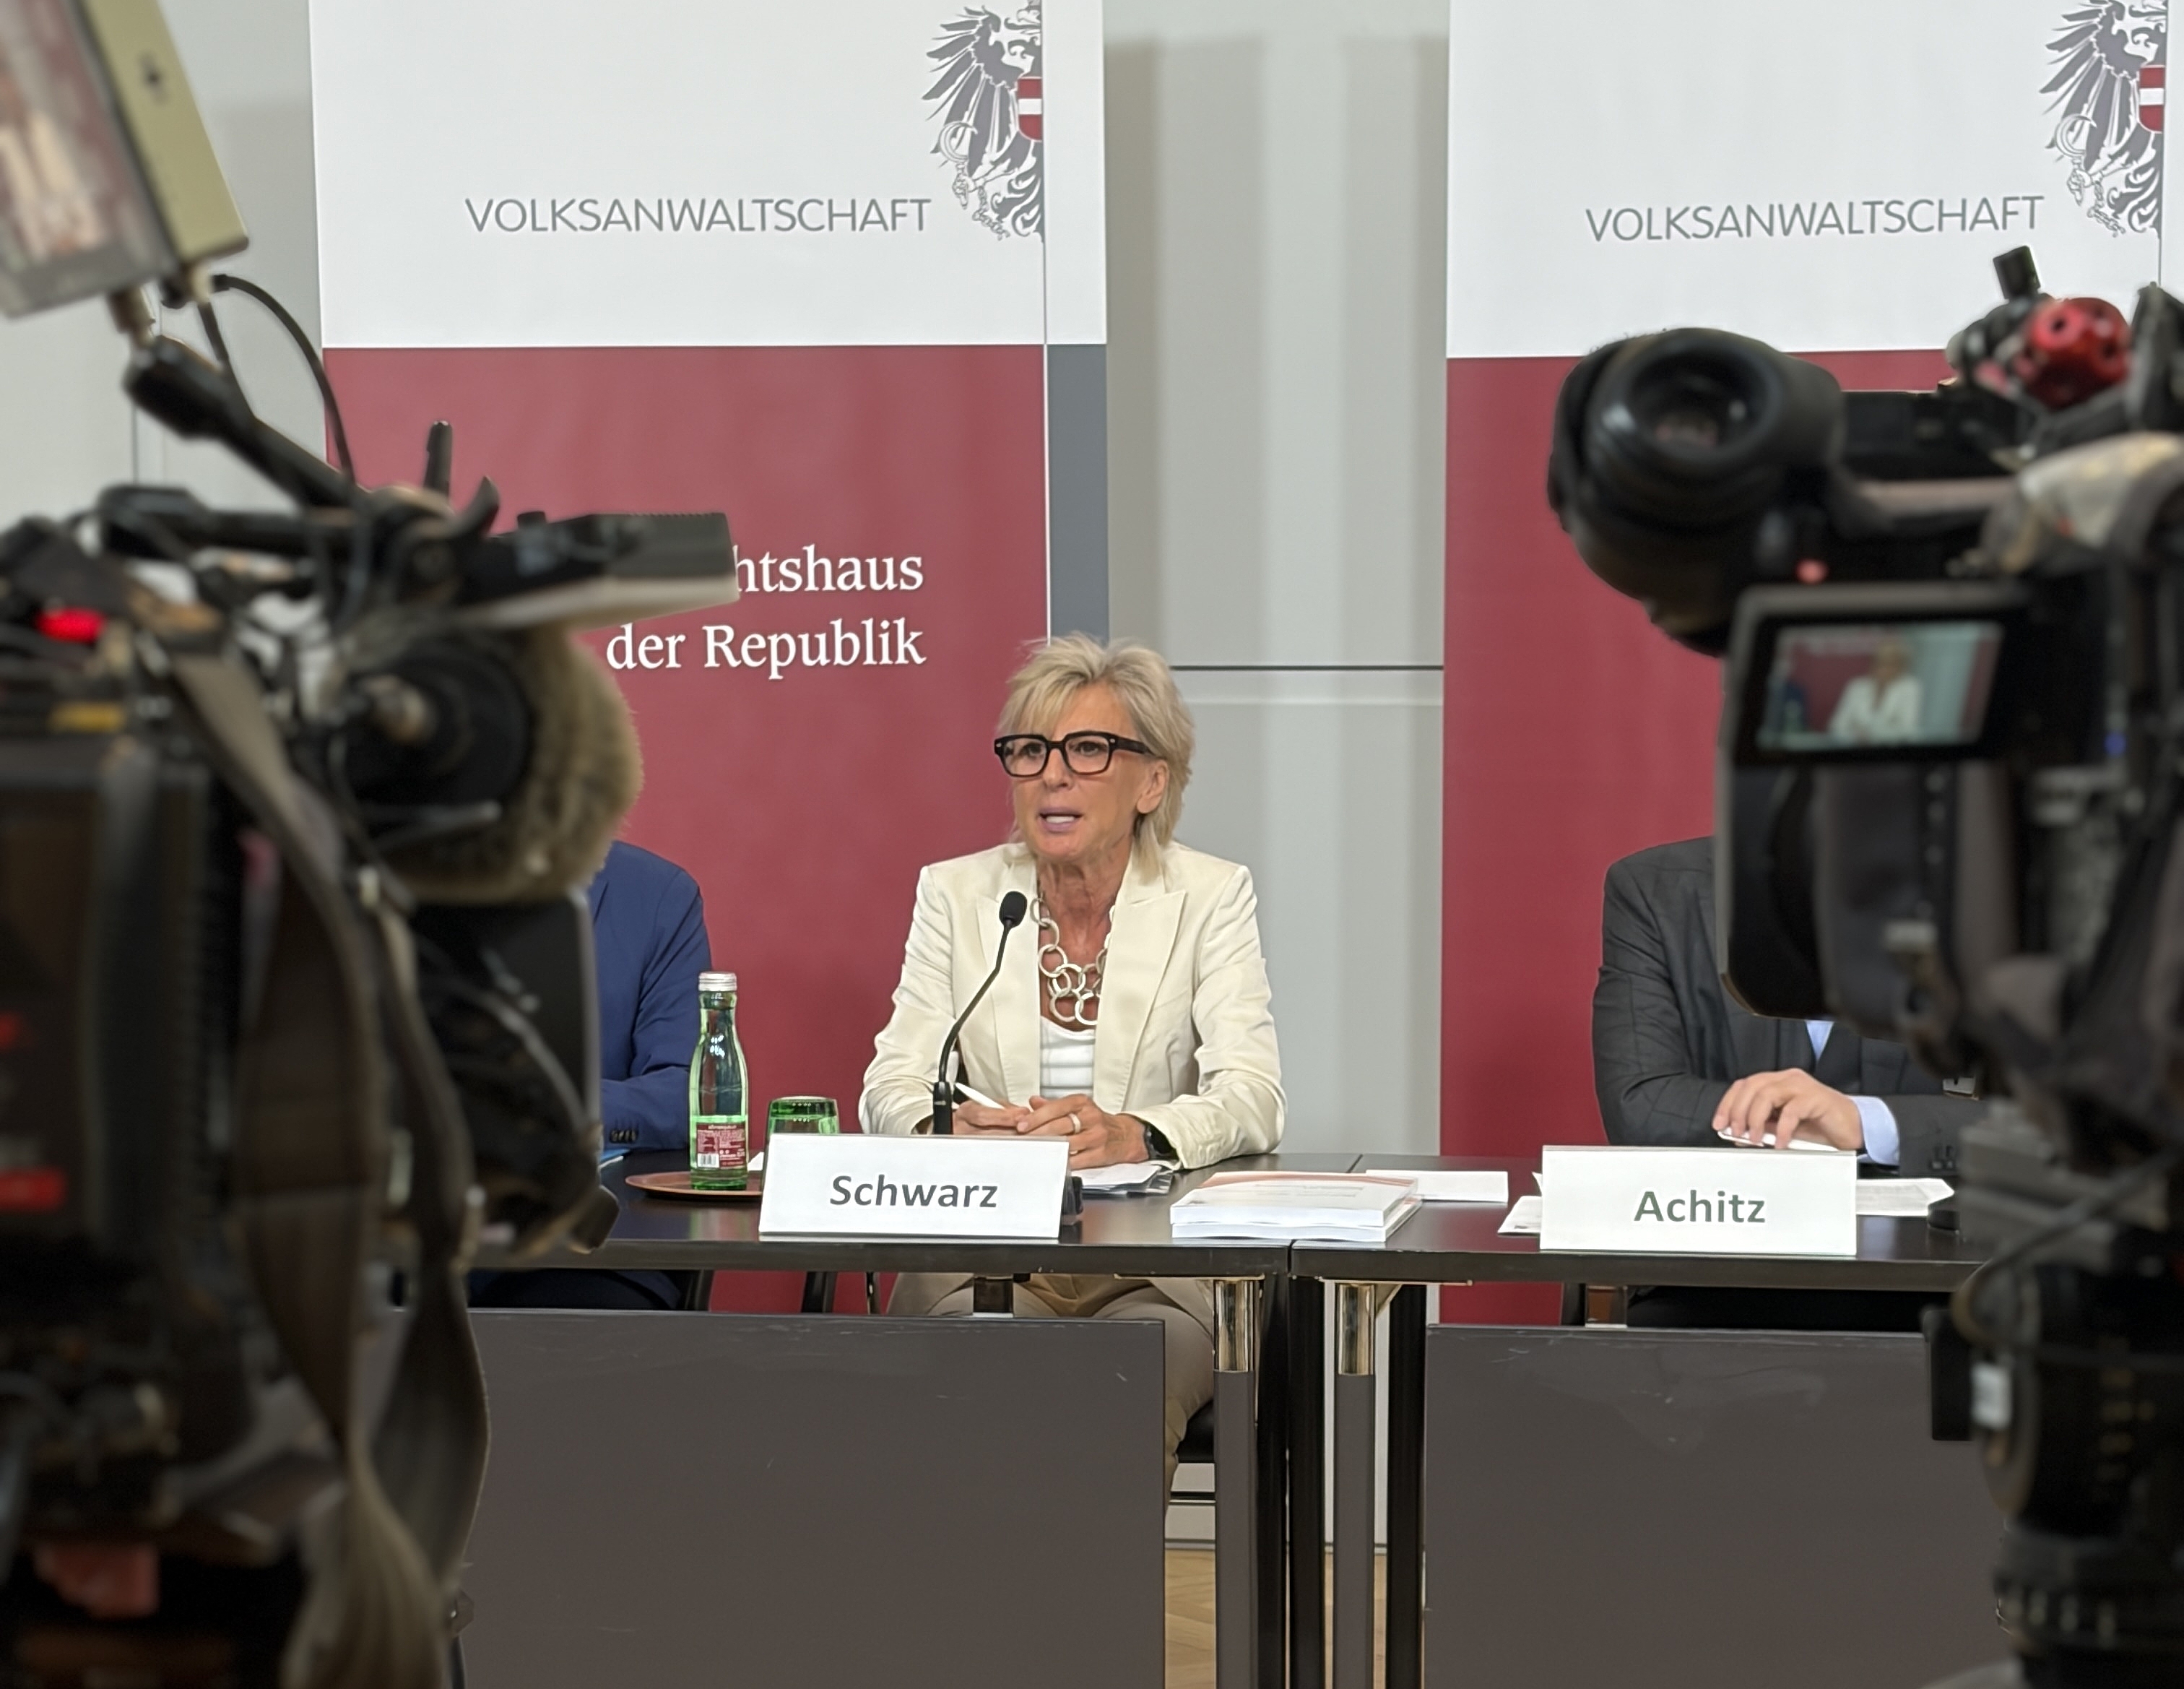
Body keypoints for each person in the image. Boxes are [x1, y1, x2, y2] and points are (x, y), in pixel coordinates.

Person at [860, 634, 1283, 1472]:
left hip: (1154, 1275)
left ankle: (1088, 1568)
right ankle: (980, 1565)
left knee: (1114, 1389)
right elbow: (892, 1082)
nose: (1052, 775)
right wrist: (946, 1127)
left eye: (1088, 750)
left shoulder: (1209, 895)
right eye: (1031, 750)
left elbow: (1253, 1094)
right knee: (978, 1387)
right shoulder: (958, 893)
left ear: (1151, 781)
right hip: (985, 1262)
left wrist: (1137, 1133)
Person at [1591, 835, 1983, 1329]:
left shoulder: (1978, 888)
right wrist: (1796, 1119)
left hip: (1944, 1283)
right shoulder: (1654, 888)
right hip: (1713, 1278)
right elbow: (1640, 1106)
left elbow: (2040, 1122)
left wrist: (1864, 1122)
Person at [472, 839, 711, 1311]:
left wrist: (560, 1106)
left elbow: (690, 1091)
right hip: (408, 1238)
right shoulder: (401, 880)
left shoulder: (656, 895)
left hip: (591, 1248)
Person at [1828, 636, 1923, 743]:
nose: (1883, 669)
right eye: (1879, 662)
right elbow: (1837, 726)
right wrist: (1856, 736)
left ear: (1901, 666)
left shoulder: (1910, 687)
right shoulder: (1857, 686)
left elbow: (1908, 730)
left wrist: (1868, 734)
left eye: (1890, 663)